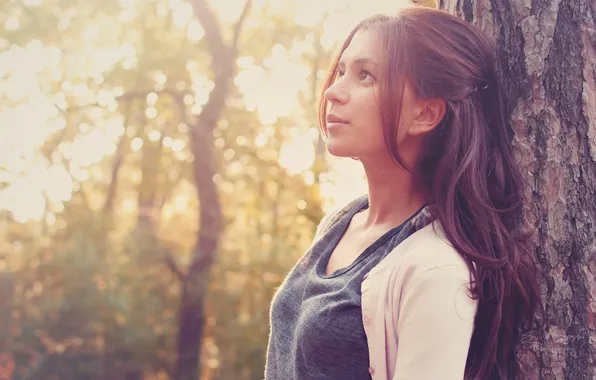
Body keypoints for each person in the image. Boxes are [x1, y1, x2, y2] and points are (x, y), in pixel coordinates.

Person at [264, 6, 542, 380]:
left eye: (366, 76)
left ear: (425, 115)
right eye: (342, 71)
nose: (332, 91)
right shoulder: (342, 221)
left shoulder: (436, 270)